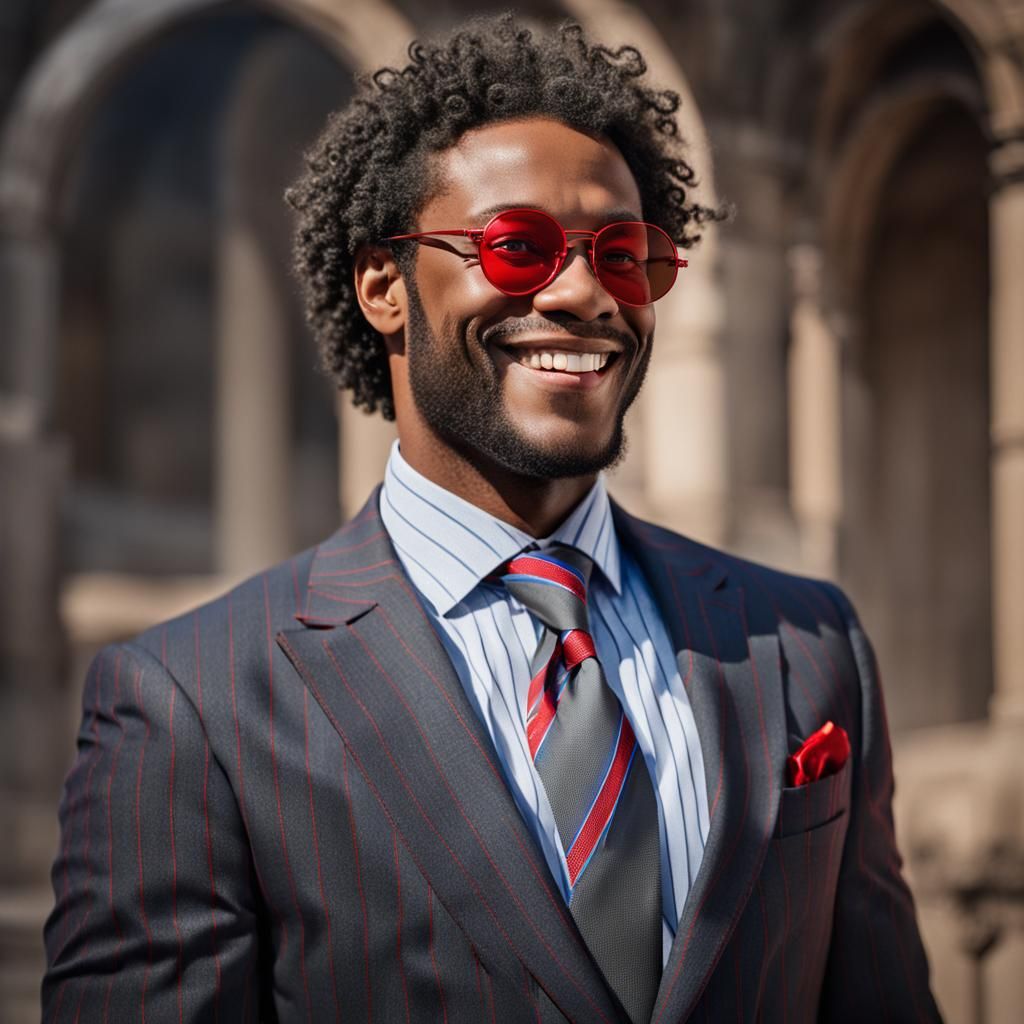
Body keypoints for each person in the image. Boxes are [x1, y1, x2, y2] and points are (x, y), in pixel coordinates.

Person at [41, 15, 941, 1023]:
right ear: (383, 287)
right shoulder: (190, 703)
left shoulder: (807, 645)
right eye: (517, 247)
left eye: (622, 252)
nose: (581, 292)